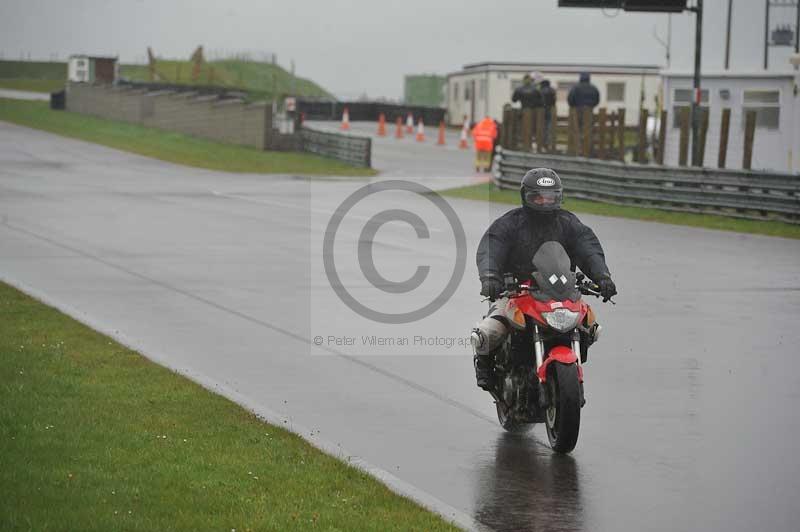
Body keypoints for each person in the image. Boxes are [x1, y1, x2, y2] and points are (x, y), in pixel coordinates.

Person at [471, 168, 617, 390]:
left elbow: (588, 249)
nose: (545, 202)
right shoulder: (510, 223)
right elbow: (493, 247)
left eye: (550, 197)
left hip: (561, 292)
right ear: (526, 196)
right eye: (538, 196)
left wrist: (602, 276)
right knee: (489, 331)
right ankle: (484, 367)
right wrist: (490, 276)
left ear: (559, 197)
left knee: (591, 326)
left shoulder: (569, 224)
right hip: (517, 292)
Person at [567, 73, 600, 154]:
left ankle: (578, 149)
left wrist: (574, 106)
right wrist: (591, 106)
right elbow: (597, 99)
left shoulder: (575, 87)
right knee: (589, 130)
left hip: (577, 110)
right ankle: (588, 149)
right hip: (589, 111)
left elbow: (570, 98)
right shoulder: (594, 88)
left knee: (577, 130)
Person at [539, 79, 556, 149]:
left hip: (542, 111)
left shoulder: (540, 91)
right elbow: (554, 101)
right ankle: (548, 143)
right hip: (550, 111)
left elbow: (539, 101)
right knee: (549, 128)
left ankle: (542, 143)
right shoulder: (552, 90)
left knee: (541, 127)